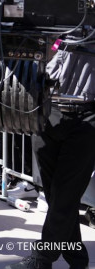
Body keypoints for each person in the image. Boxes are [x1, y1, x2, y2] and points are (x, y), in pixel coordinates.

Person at [6, 44, 95, 269]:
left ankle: (42, 258)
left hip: (86, 115)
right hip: (48, 111)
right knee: (58, 197)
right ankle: (77, 258)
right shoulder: (59, 25)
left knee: (65, 194)